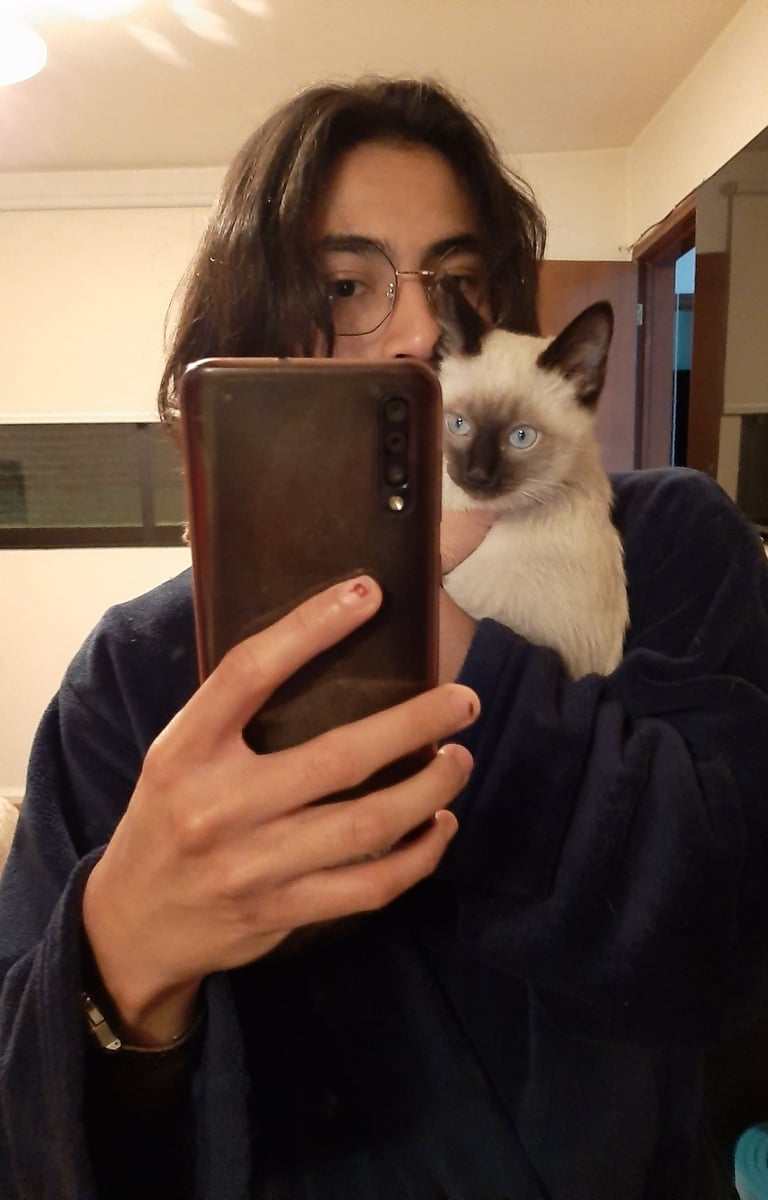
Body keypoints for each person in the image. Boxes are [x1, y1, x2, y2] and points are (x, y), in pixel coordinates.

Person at [1, 76, 768, 1200]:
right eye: (343, 285)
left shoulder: (660, 544)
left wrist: (454, 648)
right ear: (255, 331)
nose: (418, 331)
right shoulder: (135, 668)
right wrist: (119, 959)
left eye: (459, 283)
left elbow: (729, 950)